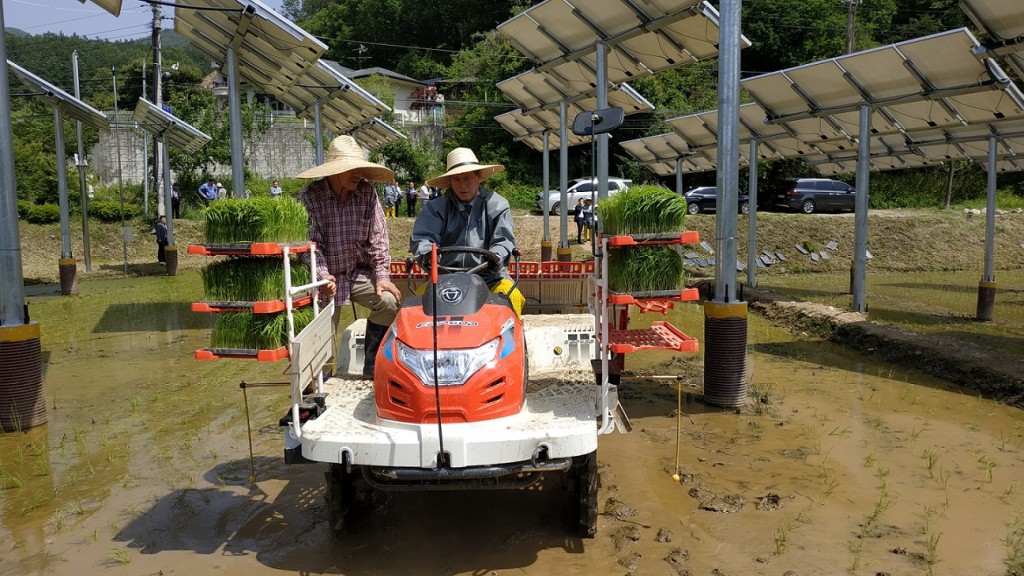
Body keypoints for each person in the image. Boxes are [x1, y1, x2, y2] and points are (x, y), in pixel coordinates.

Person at [296, 135, 401, 378]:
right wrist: (323, 276)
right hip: (325, 278)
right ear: (334, 171)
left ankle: (372, 365)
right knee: (321, 333)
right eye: (352, 169)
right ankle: (320, 384)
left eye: (360, 169)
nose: (358, 174)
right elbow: (311, 245)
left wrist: (382, 276)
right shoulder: (310, 198)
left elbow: (379, 239)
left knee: (388, 301)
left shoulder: (367, 193)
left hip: (357, 273)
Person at [410, 147, 524, 316]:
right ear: (449, 181)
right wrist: (427, 255)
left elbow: (504, 241)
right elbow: (424, 238)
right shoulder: (435, 208)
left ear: (479, 177)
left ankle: (508, 341)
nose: (462, 185)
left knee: (512, 296)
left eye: (467, 178)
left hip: (489, 278)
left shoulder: (498, 205)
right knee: (413, 308)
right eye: (456, 179)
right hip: (444, 279)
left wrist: (494, 258)